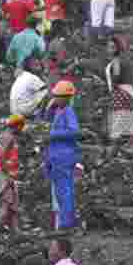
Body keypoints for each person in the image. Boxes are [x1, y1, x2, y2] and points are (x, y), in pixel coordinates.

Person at [46, 82, 82, 231]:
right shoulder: (58, 111)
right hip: (56, 156)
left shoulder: (68, 111)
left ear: (66, 98)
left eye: (58, 97)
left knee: (65, 189)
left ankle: (67, 222)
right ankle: (63, 220)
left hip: (64, 156)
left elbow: (74, 132)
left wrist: (53, 134)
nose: (55, 99)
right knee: (60, 190)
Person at [105, 35, 133, 152]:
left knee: (117, 121)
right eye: (108, 47)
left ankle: (112, 150)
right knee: (132, 122)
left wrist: (113, 85)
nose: (109, 49)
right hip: (129, 92)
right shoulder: (125, 60)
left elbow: (116, 76)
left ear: (117, 48)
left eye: (112, 47)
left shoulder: (116, 60)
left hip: (121, 93)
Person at [0, 115, 25, 236]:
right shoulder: (10, 138)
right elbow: (2, 156)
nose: (21, 130)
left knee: (12, 205)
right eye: (21, 127)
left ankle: (16, 232)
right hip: (2, 174)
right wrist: (7, 175)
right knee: (6, 205)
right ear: (17, 126)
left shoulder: (1, 136)